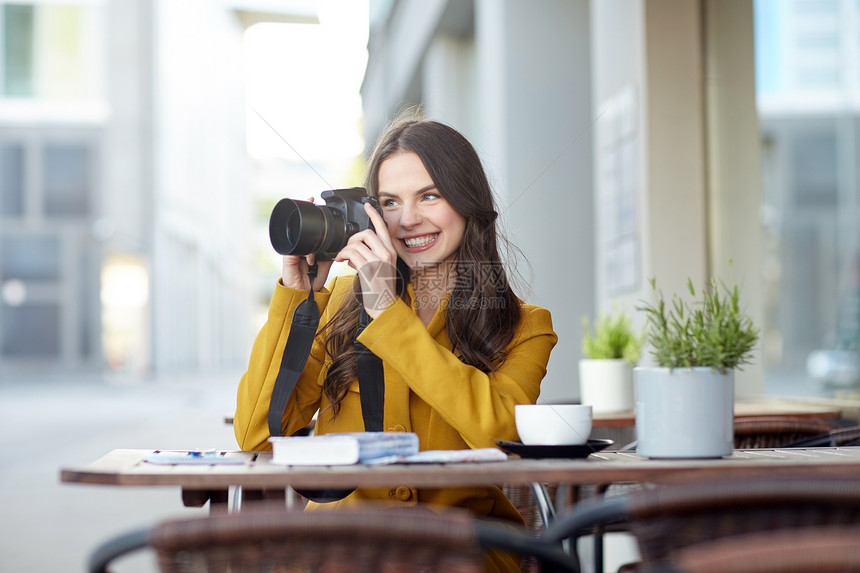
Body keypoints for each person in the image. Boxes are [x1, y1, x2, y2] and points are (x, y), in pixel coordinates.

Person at [234, 115, 557, 572]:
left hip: (462, 554)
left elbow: (503, 438)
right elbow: (257, 435)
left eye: (430, 196)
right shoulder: (341, 301)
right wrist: (295, 295)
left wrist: (388, 314)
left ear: (468, 203)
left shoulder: (525, 325)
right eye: (389, 202)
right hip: (341, 553)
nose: (407, 220)